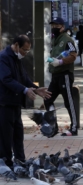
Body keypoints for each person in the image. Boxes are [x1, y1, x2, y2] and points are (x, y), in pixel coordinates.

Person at [0, 35, 51, 168]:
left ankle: (20, 160)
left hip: (15, 103)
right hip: (5, 103)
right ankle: (6, 163)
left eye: (28, 50)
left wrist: (35, 89)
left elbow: (24, 77)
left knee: (18, 133)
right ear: (16, 45)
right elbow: (6, 79)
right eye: (24, 50)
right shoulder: (4, 57)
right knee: (6, 136)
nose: (25, 53)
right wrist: (24, 90)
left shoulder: (17, 58)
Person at [45, 17, 78, 136]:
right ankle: (53, 126)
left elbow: (73, 55)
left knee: (68, 102)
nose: (54, 28)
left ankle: (74, 127)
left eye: (56, 26)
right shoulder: (55, 40)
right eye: (52, 26)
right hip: (55, 75)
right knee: (47, 99)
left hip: (64, 74)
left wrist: (60, 62)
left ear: (62, 27)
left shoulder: (67, 40)